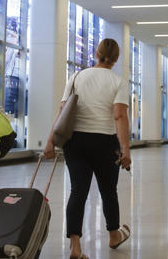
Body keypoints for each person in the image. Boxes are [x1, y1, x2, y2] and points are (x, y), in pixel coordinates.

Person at [45, 38, 132, 259]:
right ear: (116, 58)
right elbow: (120, 115)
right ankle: (114, 235)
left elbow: (63, 111)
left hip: (76, 143)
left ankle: (75, 246)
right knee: (108, 192)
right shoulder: (117, 81)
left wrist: (50, 141)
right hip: (105, 142)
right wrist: (125, 150)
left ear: (96, 54)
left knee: (78, 191)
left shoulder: (76, 77)